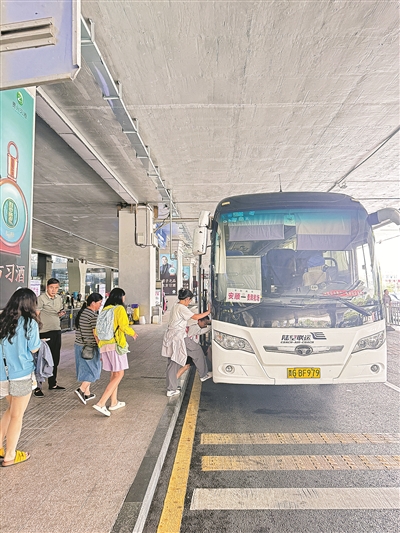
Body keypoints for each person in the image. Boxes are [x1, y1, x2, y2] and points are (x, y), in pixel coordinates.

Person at [0, 288, 41, 466]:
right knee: (17, 415)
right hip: (21, 374)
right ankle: (10, 455)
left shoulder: (2, 320)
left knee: (10, 410)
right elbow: (34, 348)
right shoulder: (29, 323)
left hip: (2, 375)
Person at [92, 288, 138, 416]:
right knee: (119, 374)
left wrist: (100, 346)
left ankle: (114, 402)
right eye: (124, 296)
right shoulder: (119, 309)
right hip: (116, 344)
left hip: (104, 345)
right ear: (120, 297)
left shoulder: (104, 310)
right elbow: (123, 326)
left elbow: (96, 331)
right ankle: (101, 403)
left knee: (114, 374)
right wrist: (133, 333)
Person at [161, 288, 211, 397]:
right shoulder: (181, 307)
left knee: (172, 363)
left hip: (171, 337)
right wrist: (208, 312)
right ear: (187, 298)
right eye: (190, 300)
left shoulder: (175, 306)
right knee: (197, 350)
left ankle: (171, 389)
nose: (190, 302)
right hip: (179, 337)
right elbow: (195, 317)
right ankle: (203, 375)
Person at [35, 278, 66, 396]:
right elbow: (36, 315)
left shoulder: (59, 298)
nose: (54, 290)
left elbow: (58, 313)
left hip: (56, 331)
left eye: (56, 288)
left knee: (55, 358)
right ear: (47, 287)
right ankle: (37, 387)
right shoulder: (41, 298)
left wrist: (60, 314)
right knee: (41, 359)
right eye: (52, 287)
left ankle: (52, 383)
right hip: (44, 332)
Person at [74, 293, 103, 405]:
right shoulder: (93, 316)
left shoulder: (82, 313)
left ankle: (87, 393)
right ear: (93, 303)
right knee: (94, 370)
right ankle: (81, 389)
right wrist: (101, 348)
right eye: (99, 303)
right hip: (90, 347)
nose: (100, 305)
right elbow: (96, 334)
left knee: (86, 369)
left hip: (79, 345)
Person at [177, 316, 212, 381]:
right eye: (205, 323)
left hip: (189, 349)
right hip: (189, 350)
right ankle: (204, 374)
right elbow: (202, 331)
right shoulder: (194, 328)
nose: (205, 325)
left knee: (207, 349)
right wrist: (212, 325)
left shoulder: (194, 327)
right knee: (186, 365)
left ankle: (173, 383)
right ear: (199, 321)